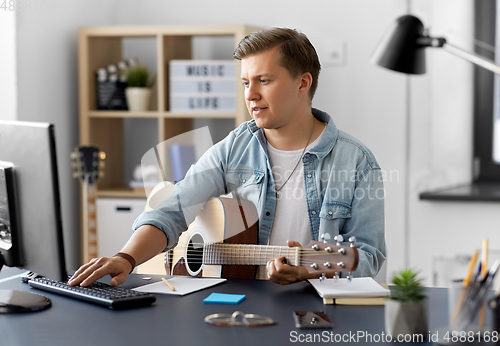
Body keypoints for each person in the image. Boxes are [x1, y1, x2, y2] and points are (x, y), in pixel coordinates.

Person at [69, 27, 386, 288]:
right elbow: (174, 208)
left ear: (303, 82)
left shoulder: (358, 162)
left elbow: (369, 256)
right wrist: (126, 258)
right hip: (242, 305)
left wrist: (310, 268)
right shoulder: (235, 146)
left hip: (318, 312)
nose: (250, 95)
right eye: (246, 82)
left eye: (264, 80)